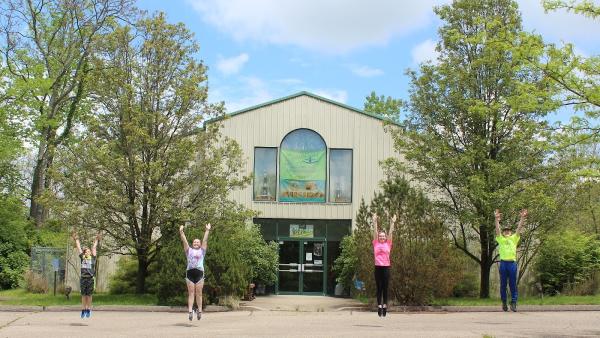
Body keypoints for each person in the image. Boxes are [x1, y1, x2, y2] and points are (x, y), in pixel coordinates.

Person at [495, 208, 528, 312]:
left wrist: (522, 218)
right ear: (503, 233)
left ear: (511, 232)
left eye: (508, 230)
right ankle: (504, 302)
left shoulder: (514, 238)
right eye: (505, 231)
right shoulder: (501, 239)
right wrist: (496, 220)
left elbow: (518, 228)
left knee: (513, 284)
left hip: (512, 264)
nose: (507, 231)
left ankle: (513, 302)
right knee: (503, 284)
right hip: (503, 263)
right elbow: (497, 230)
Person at [179, 223, 211, 321]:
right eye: (194, 242)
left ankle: (199, 311)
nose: (196, 243)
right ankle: (190, 311)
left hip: (199, 273)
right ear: (192, 244)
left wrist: (207, 230)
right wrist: (181, 232)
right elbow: (184, 241)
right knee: (191, 293)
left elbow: (205, 240)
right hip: (190, 274)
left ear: (200, 244)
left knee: (199, 293)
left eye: (198, 242)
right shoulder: (188, 250)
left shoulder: (202, 251)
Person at [72, 231, 101, 319]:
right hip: (83, 278)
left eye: (89, 251)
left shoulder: (93, 258)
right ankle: (83, 309)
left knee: (89, 295)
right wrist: (76, 239)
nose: (89, 252)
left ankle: (88, 309)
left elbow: (94, 247)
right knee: (83, 295)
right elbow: (79, 247)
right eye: (87, 251)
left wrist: (97, 239)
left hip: (90, 278)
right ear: (85, 253)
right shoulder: (83, 258)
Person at [372, 212, 396, 317]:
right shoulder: (376, 243)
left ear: (385, 237)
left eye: (383, 236)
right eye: (380, 236)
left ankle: (385, 306)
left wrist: (392, 223)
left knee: (385, 287)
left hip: (386, 267)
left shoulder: (388, 243)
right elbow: (375, 231)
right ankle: (379, 306)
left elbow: (391, 232)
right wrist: (375, 221)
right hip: (378, 267)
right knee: (379, 288)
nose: (381, 237)